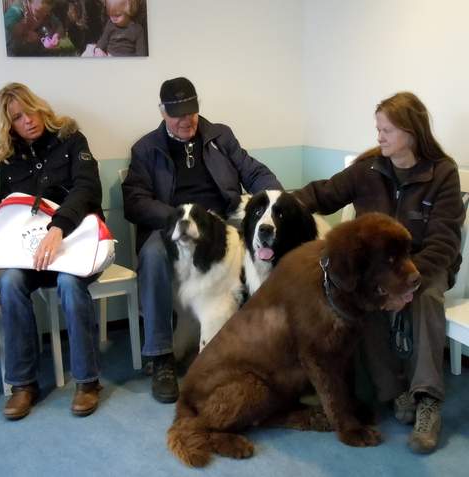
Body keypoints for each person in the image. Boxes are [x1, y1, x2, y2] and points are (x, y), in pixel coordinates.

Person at [294, 91, 464, 454]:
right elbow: (323, 194)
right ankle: (393, 392)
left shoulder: (443, 174)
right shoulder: (368, 169)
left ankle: (427, 401)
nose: (379, 137)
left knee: (426, 298)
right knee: (361, 297)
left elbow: (445, 242)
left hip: (426, 265)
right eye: (378, 129)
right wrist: (277, 205)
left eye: (386, 130)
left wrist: (406, 287)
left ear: (411, 132)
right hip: (378, 271)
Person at [122, 76, 283, 403]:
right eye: (178, 114)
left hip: (221, 220)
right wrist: (176, 220)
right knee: (152, 256)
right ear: (163, 112)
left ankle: (267, 346)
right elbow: (135, 201)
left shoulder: (220, 136)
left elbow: (253, 172)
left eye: (191, 112)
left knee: (271, 239)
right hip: (173, 224)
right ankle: (161, 356)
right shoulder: (146, 149)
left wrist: (275, 199)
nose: (187, 120)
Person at [0, 82, 104, 420]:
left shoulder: (72, 139)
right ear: (9, 125)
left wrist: (58, 228)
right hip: (34, 251)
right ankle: (23, 384)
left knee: (69, 283)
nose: (27, 120)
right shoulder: (9, 161)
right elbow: (7, 210)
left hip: (79, 241)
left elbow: (87, 188)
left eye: (30, 110)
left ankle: (87, 381)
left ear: (40, 107)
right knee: (10, 282)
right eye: (17, 117)